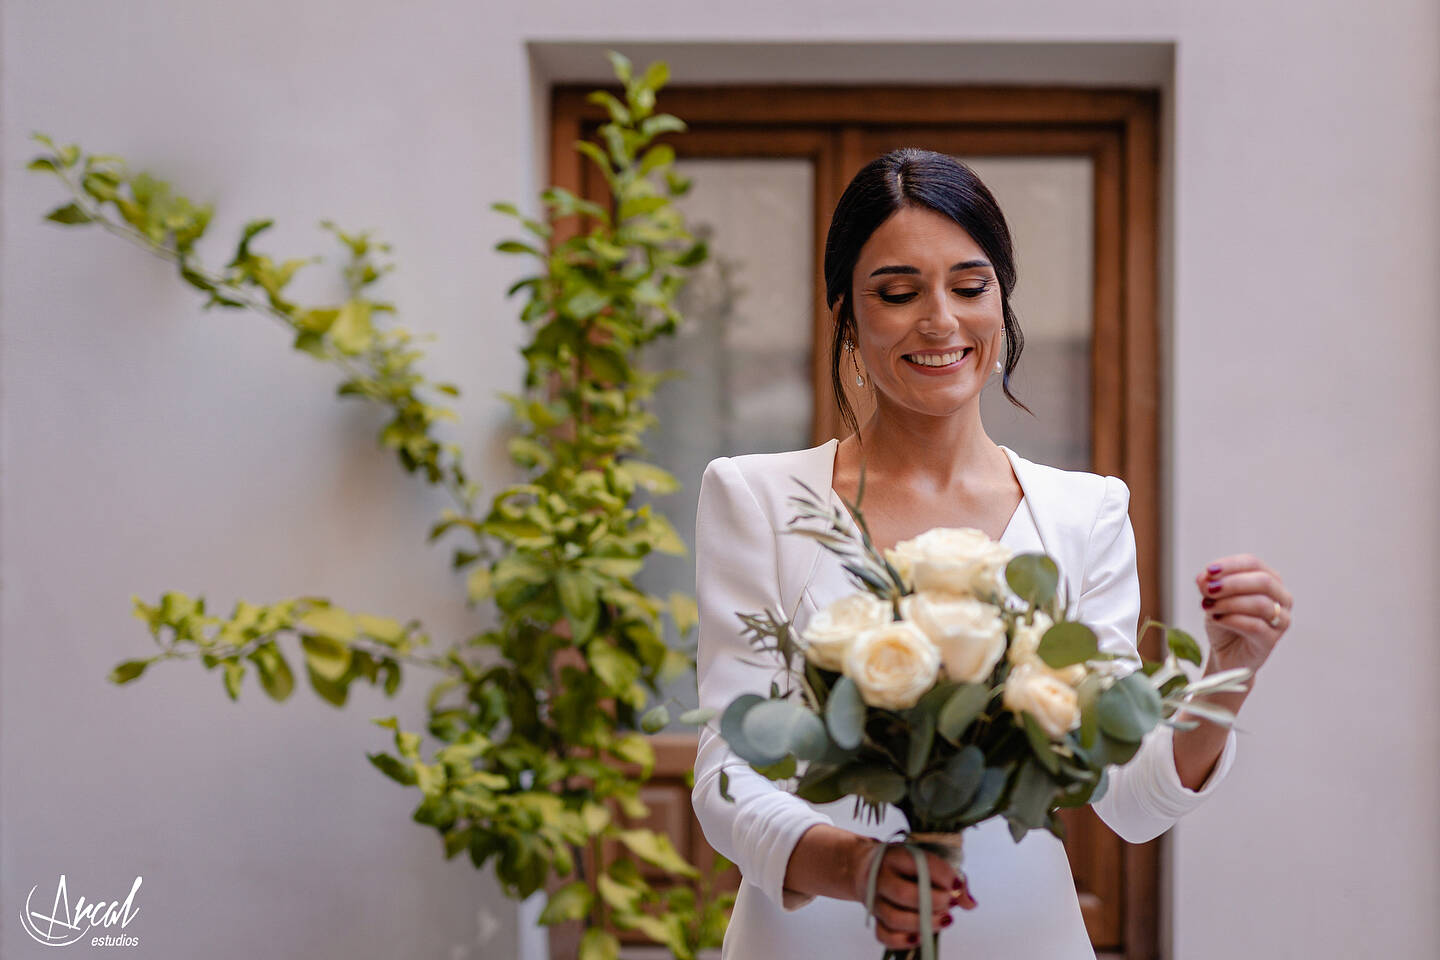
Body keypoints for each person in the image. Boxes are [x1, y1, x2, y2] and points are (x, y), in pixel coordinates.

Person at [690, 148, 1293, 959]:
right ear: (846, 315)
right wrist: (855, 869)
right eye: (898, 293)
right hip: (810, 938)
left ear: (1001, 304)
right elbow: (728, 771)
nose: (940, 320)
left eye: (970, 288)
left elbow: (1130, 799)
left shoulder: (1084, 513)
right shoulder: (756, 498)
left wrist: (1227, 674)